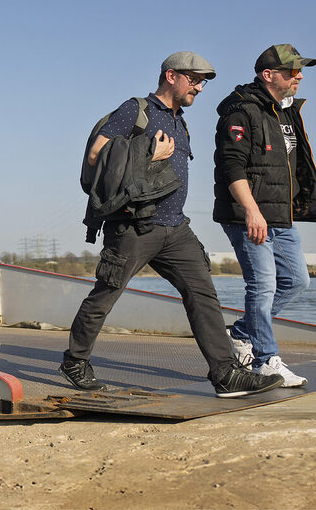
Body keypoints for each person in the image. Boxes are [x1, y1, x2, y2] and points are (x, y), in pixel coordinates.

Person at [62, 52, 284, 399]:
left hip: (176, 229)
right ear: (171, 76)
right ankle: (75, 361)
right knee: (106, 293)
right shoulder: (136, 111)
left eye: (202, 82)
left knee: (203, 294)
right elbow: (96, 155)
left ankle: (225, 374)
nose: (199, 87)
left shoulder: (180, 121)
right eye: (193, 79)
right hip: (135, 226)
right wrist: (147, 153)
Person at [214, 44, 316, 388]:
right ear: (269, 75)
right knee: (262, 286)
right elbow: (232, 166)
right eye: (292, 71)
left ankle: (243, 332)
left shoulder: (287, 112)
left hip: (280, 215)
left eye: (300, 71)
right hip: (249, 215)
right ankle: (266, 361)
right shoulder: (241, 112)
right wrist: (251, 211)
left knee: (296, 280)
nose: (299, 76)